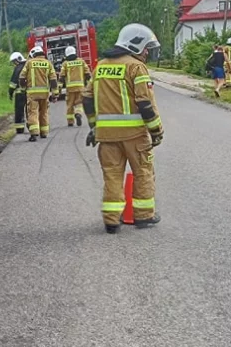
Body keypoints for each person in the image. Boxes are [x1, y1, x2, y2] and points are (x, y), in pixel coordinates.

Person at [83, 23, 164, 234]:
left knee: (112, 175)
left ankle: (111, 220)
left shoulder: (100, 66)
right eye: (146, 47)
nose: (147, 52)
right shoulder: (136, 67)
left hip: (106, 137)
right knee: (143, 172)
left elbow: (87, 98)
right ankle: (144, 216)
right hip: (135, 135)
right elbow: (145, 103)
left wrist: (94, 126)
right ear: (135, 44)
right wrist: (156, 130)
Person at [19, 45, 58, 142]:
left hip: (32, 94)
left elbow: (22, 77)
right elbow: (53, 80)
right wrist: (54, 94)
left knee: (33, 112)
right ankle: (44, 132)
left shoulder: (29, 63)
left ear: (33, 54)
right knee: (44, 112)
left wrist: (23, 89)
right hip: (45, 94)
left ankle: (34, 133)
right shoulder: (48, 63)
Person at [58, 46, 91, 126]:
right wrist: (89, 86)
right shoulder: (81, 61)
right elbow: (87, 74)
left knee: (70, 105)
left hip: (70, 88)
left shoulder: (65, 63)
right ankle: (78, 113)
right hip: (80, 87)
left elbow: (62, 77)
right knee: (79, 103)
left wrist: (59, 88)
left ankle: (70, 121)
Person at [7, 51, 27, 134]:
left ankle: (20, 129)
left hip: (20, 94)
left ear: (18, 59)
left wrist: (10, 93)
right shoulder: (28, 65)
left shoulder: (18, 68)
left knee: (19, 111)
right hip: (30, 92)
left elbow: (13, 83)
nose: (14, 64)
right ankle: (33, 126)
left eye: (14, 62)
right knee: (31, 110)